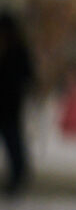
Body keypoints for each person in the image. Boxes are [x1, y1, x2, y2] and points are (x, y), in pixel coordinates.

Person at [0, 12, 34, 196]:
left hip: (10, 104)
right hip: (7, 103)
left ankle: (18, 177)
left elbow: (27, 74)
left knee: (13, 142)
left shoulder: (18, 50)